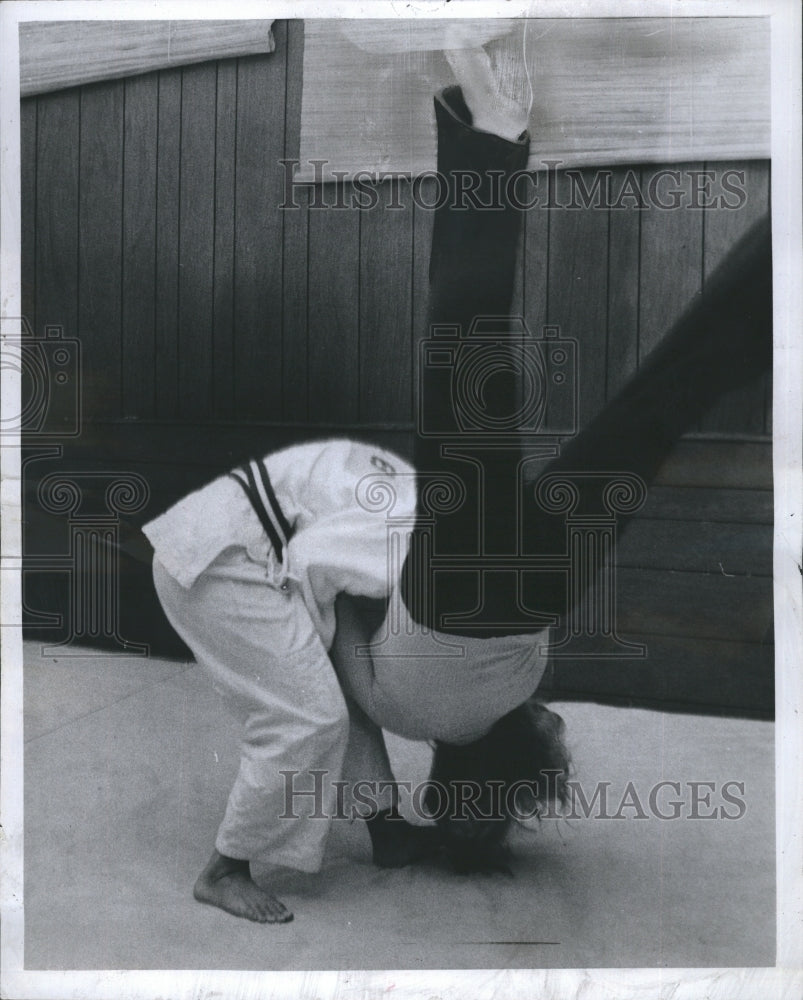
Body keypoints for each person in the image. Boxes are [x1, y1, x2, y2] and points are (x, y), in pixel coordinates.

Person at [145, 34, 772, 921]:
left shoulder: (515, 687)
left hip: (526, 585)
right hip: (427, 585)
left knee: (660, 400)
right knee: (468, 353)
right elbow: (349, 661)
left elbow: (346, 681)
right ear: (451, 767)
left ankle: (505, 137)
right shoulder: (406, 709)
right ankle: (493, 136)